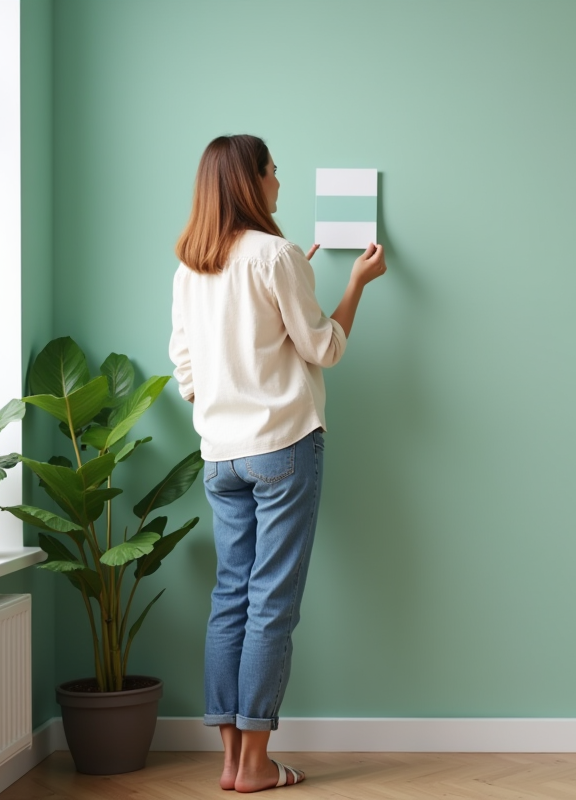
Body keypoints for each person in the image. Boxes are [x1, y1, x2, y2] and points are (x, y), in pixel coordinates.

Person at [169, 134, 385, 792]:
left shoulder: (191, 267)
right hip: (283, 449)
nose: (279, 183)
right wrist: (355, 284)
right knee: (271, 606)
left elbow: (187, 372)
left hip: (220, 457)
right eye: (273, 172)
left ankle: (233, 761)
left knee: (229, 600)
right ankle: (257, 763)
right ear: (253, 182)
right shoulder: (278, 255)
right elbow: (324, 348)